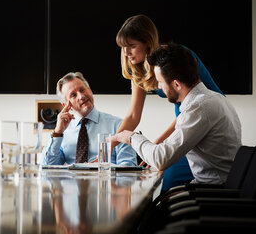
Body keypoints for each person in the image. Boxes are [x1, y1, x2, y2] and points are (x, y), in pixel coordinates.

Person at [114, 14, 224, 190]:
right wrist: (110, 144)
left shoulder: (176, 60)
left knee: (169, 175)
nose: (126, 53)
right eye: (123, 48)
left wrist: (158, 141)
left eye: (132, 46)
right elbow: (133, 116)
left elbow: (195, 108)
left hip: (202, 121)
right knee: (162, 172)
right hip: (187, 120)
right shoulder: (139, 69)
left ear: (148, 44)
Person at [112, 43, 241, 184]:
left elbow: (161, 159)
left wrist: (131, 137)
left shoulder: (199, 108)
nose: (159, 87)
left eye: (160, 82)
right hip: (209, 189)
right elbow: (168, 148)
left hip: (212, 195)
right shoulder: (214, 99)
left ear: (177, 84)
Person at [42, 72, 137, 166]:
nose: (81, 96)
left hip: (106, 179)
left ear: (90, 90)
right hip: (71, 180)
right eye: (73, 95)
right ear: (66, 105)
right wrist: (58, 132)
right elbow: (50, 165)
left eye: (82, 90)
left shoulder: (118, 125)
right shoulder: (62, 132)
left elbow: (128, 167)